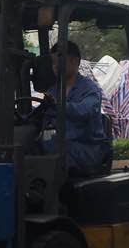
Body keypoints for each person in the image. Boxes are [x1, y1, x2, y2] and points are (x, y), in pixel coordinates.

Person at [36, 40, 111, 176]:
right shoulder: (53, 90)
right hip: (61, 145)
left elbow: (84, 110)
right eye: (53, 63)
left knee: (58, 149)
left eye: (59, 62)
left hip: (88, 149)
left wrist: (59, 105)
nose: (55, 66)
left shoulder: (90, 89)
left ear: (75, 61)